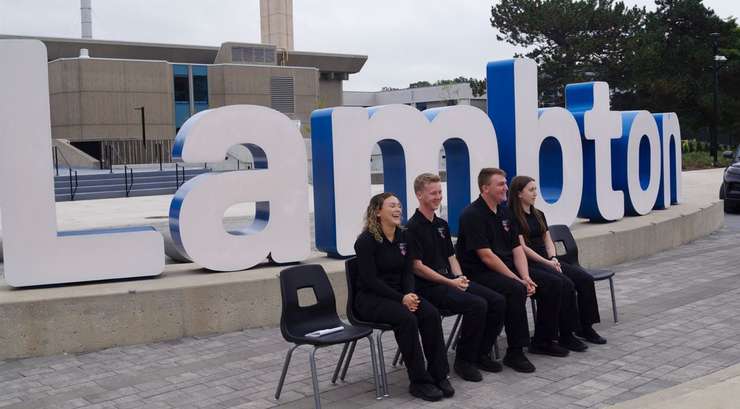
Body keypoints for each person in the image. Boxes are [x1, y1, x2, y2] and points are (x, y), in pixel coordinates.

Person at [456, 168, 571, 373]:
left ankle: (544, 340)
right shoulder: (471, 215)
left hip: (507, 268)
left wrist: (525, 276)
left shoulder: (505, 212)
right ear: (485, 188)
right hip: (481, 272)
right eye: (500, 184)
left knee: (555, 283)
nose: (506, 188)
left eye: (505, 183)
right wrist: (517, 280)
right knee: (515, 290)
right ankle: (515, 352)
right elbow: (487, 256)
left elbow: (517, 249)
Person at [405, 173, 506, 382]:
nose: (438, 196)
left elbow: (451, 256)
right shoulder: (411, 228)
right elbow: (417, 267)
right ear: (419, 195)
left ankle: (480, 353)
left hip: (451, 281)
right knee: (477, 305)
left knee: (497, 301)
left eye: (440, 192)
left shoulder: (441, 224)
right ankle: (464, 360)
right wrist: (450, 282)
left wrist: (460, 277)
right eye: (433, 193)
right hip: (429, 287)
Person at [353, 192, 453, 402]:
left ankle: (439, 375)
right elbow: (371, 281)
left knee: (430, 313)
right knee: (407, 319)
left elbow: (408, 271)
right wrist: (401, 299)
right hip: (371, 298)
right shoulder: (366, 241)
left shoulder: (405, 236)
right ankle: (419, 381)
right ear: (378, 212)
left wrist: (409, 293)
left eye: (399, 205)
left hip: (402, 294)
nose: (398, 209)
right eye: (392, 206)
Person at [508, 175, 607, 345]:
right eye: (531, 190)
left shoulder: (539, 214)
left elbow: (548, 239)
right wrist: (547, 262)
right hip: (531, 263)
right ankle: (566, 334)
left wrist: (553, 257)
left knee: (585, 279)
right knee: (566, 284)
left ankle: (586, 327)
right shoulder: (513, 217)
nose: (535, 193)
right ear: (519, 194)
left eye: (535, 189)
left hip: (548, 261)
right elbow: (522, 247)